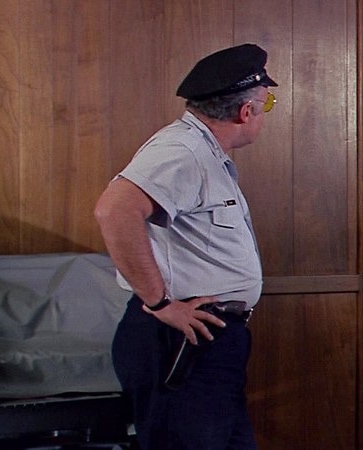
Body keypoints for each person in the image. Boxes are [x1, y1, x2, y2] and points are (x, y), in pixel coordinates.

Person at [94, 43, 277, 450]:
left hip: (209, 341)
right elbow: (115, 210)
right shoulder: (184, 151)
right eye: (267, 104)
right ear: (245, 111)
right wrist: (161, 303)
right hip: (180, 340)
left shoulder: (204, 153)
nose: (265, 113)